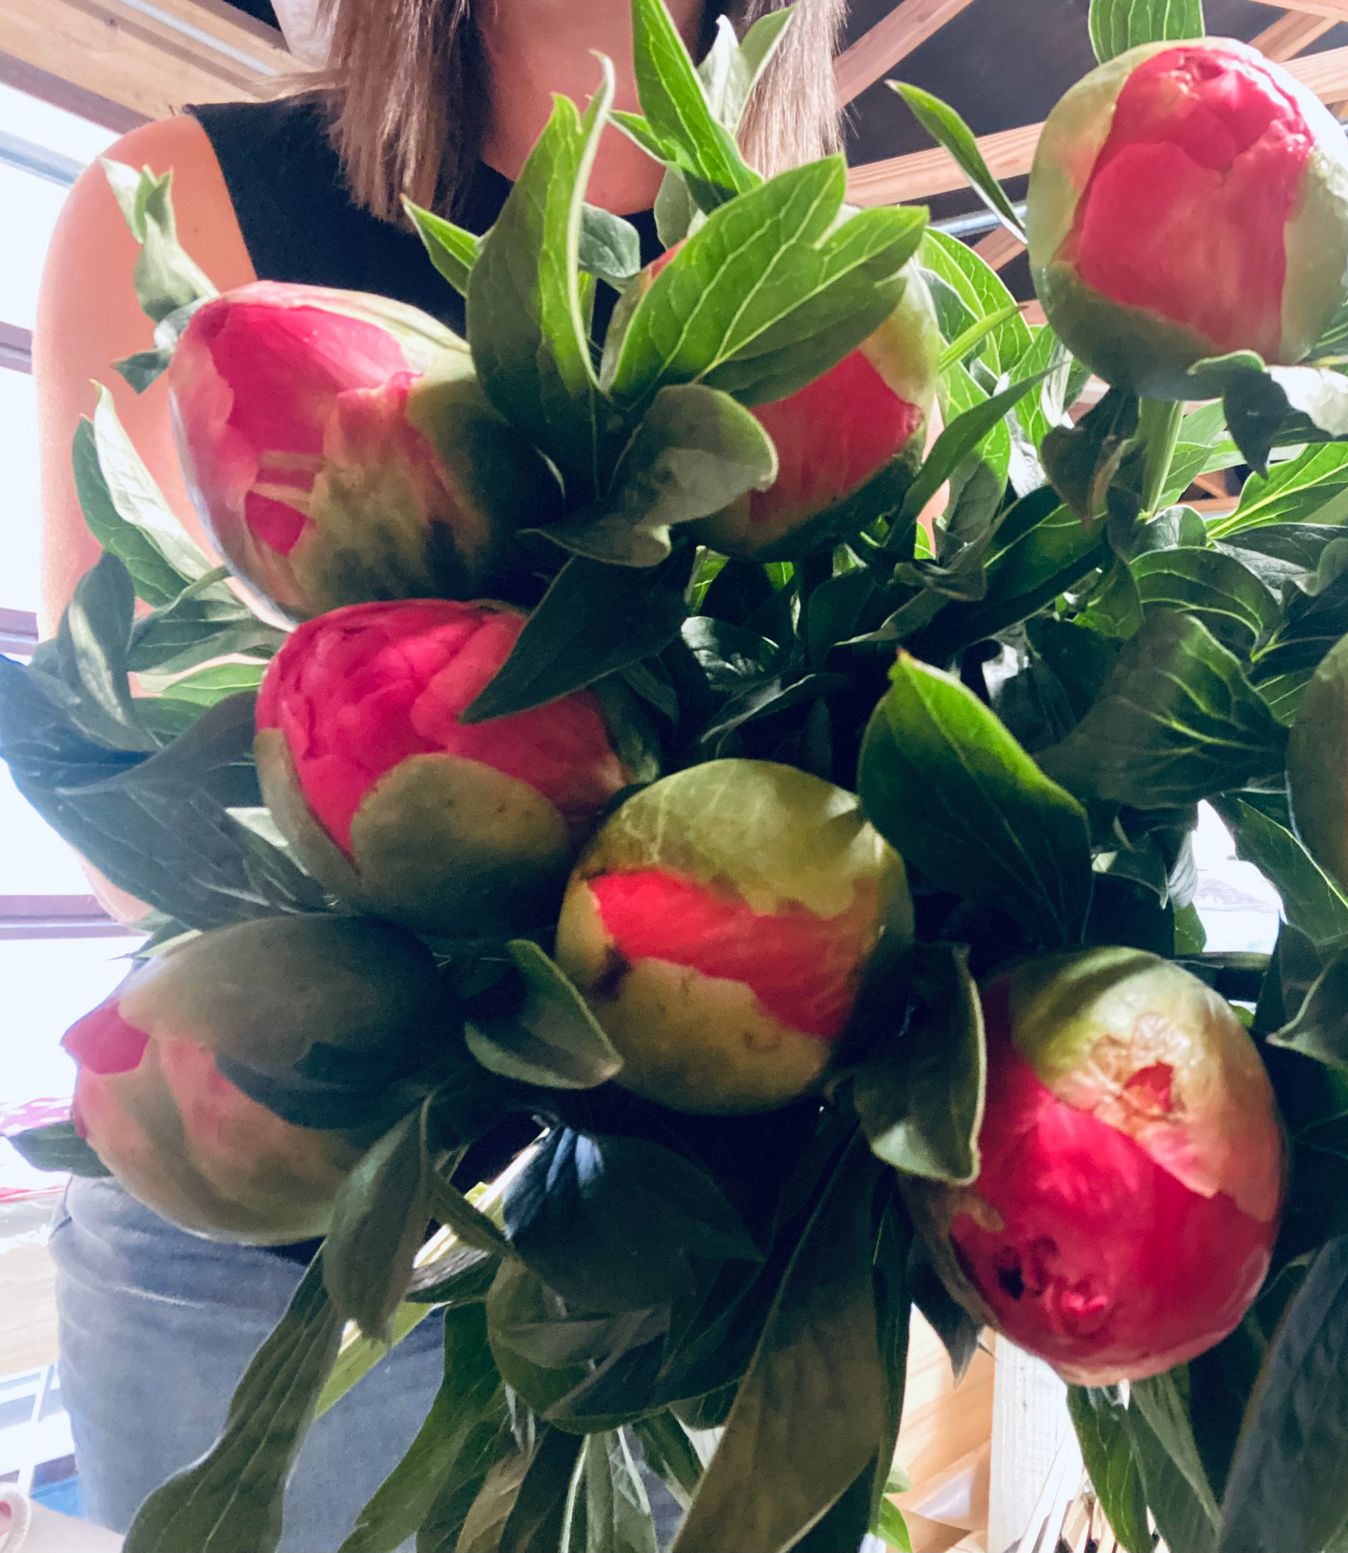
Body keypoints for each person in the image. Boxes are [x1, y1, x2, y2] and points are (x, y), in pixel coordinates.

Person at [32, 1, 846, 1542]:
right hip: (268, 1274)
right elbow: (125, 814)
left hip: (684, 1292)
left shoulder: (819, 280)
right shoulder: (185, 204)